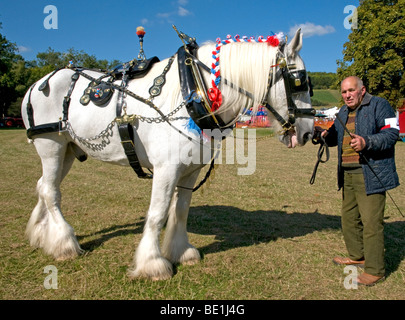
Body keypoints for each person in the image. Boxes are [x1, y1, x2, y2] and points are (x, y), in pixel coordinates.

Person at [317, 76, 400, 286]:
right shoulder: (343, 112)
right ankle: (357, 255)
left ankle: (375, 269)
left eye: (351, 91)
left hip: (371, 173)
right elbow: (334, 136)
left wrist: (367, 141)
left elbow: (392, 134)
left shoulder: (380, 105)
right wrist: (320, 135)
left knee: (371, 223)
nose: (347, 95)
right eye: (344, 92)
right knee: (349, 219)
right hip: (347, 173)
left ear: (362, 90)